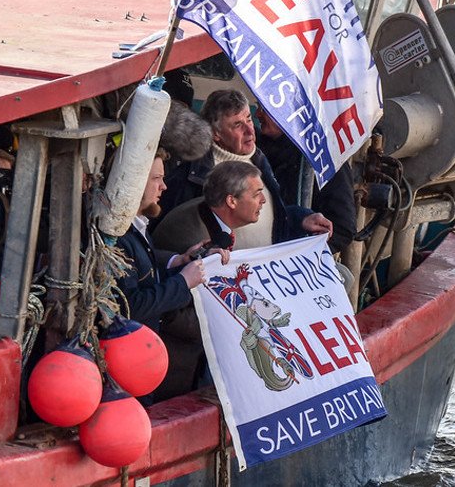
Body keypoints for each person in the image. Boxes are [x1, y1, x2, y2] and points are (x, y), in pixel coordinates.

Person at [153, 160, 330, 401]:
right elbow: (173, 310)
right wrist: (229, 329)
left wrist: (300, 220)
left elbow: (275, 221)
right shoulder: (191, 233)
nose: (264, 201)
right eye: (257, 195)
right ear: (232, 201)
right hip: (183, 369)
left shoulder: (224, 218)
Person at [157, 88, 331, 250]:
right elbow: (168, 238)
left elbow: (274, 216)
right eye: (237, 125)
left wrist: (302, 218)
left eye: (248, 118)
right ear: (215, 133)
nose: (250, 130)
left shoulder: (259, 158)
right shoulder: (190, 176)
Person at [114, 148, 230, 334]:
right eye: (156, 179)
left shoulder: (136, 227)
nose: (163, 186)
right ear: (135, 181)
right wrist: (183, 281)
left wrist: (189, 263)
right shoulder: (117, 238)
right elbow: (130, 306)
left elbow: (148, 280)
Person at [256, 106, 357, 254]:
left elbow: (342, 229)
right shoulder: (253, 150)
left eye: (265, 108)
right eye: (259, 106)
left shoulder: (323, 158)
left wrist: (303, 256)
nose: (258, 114)